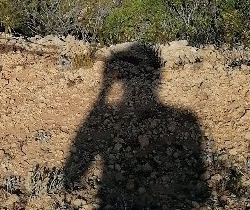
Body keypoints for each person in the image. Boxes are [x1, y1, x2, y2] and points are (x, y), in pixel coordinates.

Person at [64, 44, 210, 209]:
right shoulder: (186, 118)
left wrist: (103, 92)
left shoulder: (106, 114)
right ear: (158, 77)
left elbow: (75, 168)